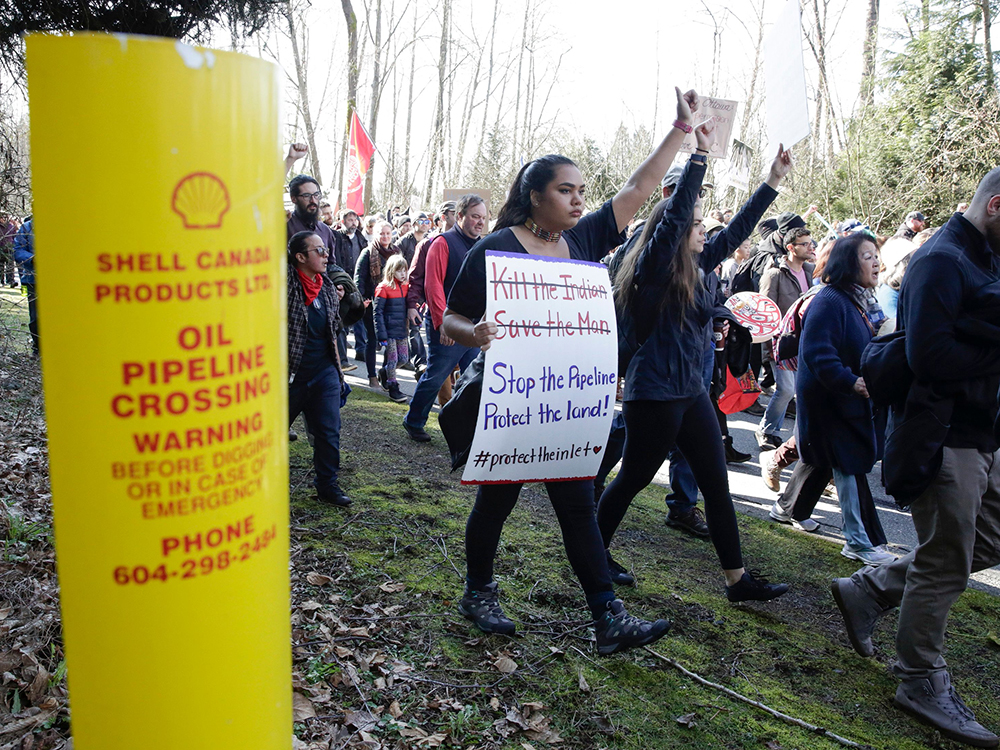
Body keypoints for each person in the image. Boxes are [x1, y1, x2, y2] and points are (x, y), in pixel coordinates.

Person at [440, 90, 720, 655]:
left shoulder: (583, 240)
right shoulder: (494, 248)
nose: (576, 201)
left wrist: (684, 138)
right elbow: (450, 319)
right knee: (497, 500)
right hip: (512, 403)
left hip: (565, 404)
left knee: (576, 505)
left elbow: (638, 190)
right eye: (564, 191)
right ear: (534, 196)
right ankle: (479, 590)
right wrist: (476, 335)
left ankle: (608, 616)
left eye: (580, 192)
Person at [595, 101, 789, 605]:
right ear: (679, 232)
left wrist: (771, 181)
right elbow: (675, 215)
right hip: (655, 394)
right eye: (698, 225)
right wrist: (698, 156)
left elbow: (741, 227)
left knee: (716, 486)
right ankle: (592, 554)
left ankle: (737, 580)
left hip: (690, 394)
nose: (707, 231)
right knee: (633, 478)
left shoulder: (702, 269)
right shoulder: (656, 267)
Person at [832, 170, 1000, 749]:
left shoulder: (985, 259)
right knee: (947, 563)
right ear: (997, 206)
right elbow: (931, 357)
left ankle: (874, 588)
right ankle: (920, 679)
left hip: (983, 436)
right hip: (944, 436)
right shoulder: (943, 260)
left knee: (987, 538)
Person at [790, 234, 892, 564]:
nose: (875, 262)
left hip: (842, 399)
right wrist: (851, 382)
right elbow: (819, 354)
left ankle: (788, 507)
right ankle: (859, 542)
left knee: (834, 463)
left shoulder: (856, 301)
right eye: (866, 257)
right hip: (828, 400)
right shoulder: (829, 300)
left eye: (875, 256)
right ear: (848, 263)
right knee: (847, 465)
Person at [401, 195, 487, 443]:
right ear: (459, 217)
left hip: (473, 325)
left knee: (473, 378)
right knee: (437, 375)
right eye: (474, 216)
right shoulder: (442, 242)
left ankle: (463, 427)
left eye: (483, 217)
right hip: (447, 324)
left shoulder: (482, 245)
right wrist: (442, 324)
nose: (480, 222)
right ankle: (414, 420)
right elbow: (433, 285)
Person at [286, 231, 351, 507]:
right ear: (300, 257)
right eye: (318, 251)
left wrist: (338, 373)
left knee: (328, 431)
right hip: (288, 376)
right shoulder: (284, 282)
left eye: (325, 250)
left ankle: (327, 486)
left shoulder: (325, 286)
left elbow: (333, 330)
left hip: (323, 372)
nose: (325, 255)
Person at [756, 226, 816, 449]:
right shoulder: (774, 274)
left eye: (812, 243)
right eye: (805, 244)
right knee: (786, 389)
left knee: (801, 391)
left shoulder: (811, 271)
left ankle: (796, 439)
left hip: (805, 341)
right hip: (780, 342)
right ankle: (766, 430)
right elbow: (764, 311)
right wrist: (768, 348)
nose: (811, 247)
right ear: (791, 248)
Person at [355, 220, 400, 388]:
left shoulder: (396, 252)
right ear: (376, 234)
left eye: (388, 233)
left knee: (391, 340)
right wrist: (362, 299)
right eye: (382, 233)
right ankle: (372, 376)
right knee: (372, 340)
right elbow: (359, 278)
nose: (385, 236)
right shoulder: (368, 253)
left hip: (393, 303)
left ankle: (385, 373)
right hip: (372, 303)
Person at [374, 255, 411, 403]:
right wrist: (381, 335)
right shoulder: (383, 288)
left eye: (404, 270)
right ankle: (393, 385)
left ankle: (384, 372)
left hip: (401, 329)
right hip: (388, 331)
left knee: (403, 359)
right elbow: (377, 312)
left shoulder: (406, 286)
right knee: (393, 359)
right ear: (391, 271)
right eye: (399, 271)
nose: (403, 274)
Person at [13, 218, 37, 354]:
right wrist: (33, 258)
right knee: (36, 317)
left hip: (60, 280)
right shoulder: (27, 228)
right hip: (33, 278)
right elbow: (18, 251)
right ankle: (38, 348)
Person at [1, 215, 19, 288]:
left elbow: (15, 236)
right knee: (1, 266)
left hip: (10, 248)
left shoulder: (10, 226)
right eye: (2, 217)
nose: (4, 219)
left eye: (5, 217)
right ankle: (2, 281)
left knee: (10, 266)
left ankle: (11, 281)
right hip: (1, 248)